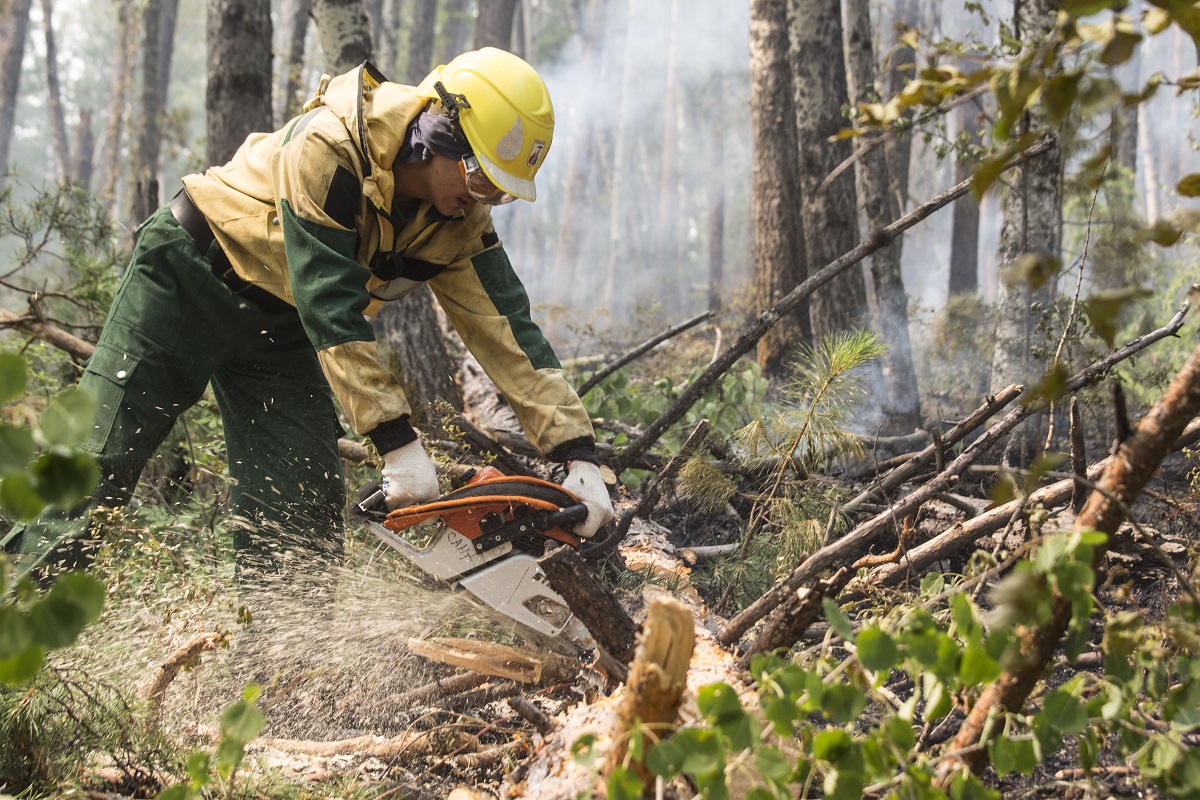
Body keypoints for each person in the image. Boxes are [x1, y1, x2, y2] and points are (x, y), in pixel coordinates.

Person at [2, 48, 615, 587]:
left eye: (502, 192)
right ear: (438, 131)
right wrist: (396, 442)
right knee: (94, 463)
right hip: (188, 279)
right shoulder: (330, 146)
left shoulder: (457, 223)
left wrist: (578, 454)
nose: (486, 199)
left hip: (285, 332)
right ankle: (21, 639)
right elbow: (329, 296)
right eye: (483, 176)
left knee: (299, 518)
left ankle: (276, 696)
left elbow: (509, 332)